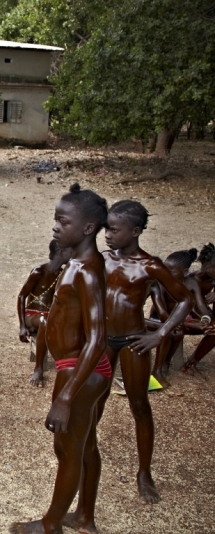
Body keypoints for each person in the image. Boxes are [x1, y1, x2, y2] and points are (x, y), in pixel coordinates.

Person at [9, 184, 111, 534]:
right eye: (55, 219)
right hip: (81, 369)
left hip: (79, 371)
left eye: (62, 221)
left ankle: (50, 525)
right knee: (85, 445)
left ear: (87, 228)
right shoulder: (78, 263)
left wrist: (66, 397)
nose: (55, 227)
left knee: (67, 449)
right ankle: (84, 516)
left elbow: (97, 338)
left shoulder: (88, 269)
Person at [99, 200, 192, 506]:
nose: (108, 234)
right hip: (103, 340)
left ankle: (144, 473)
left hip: (132, 341)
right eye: (106, 228)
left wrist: (160, 334)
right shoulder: (102, 259)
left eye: (114, 229)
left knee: (139, 405)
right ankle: (84, 455)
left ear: (135, 231)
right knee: (95, 400)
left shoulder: (150, 266)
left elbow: (184, 299)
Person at [146, 249, 211, 385]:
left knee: (181, 330)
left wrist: (205, 321)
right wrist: (191, 324)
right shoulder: (161, 283)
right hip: (159, 318)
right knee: (171, 331)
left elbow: (202, 308)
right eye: (165, 268)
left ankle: (167, 362)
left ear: (185, 271)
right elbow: (163, 313)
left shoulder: (191, 284)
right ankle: (159, 367)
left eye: (172, 271)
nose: (166, 273)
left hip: (178, 320)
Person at [17, 240, 72, 387]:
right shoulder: (39, 271)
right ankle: (38, 369)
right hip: (32, 315)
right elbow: (22, 296)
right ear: (61, 253)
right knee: (43, 321)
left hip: (50, 315)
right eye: (70, 252)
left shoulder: (63, 274)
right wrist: (22, 325)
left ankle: (72, 365)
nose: (73, 255)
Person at [182, 243, 215, 373]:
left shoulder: (212, 281)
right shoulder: (191, 280)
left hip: (203, 316)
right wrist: (205, 318)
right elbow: (186, 306)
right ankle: (190, 365)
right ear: (207, 265)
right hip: (185, 317)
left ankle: (192, 362)